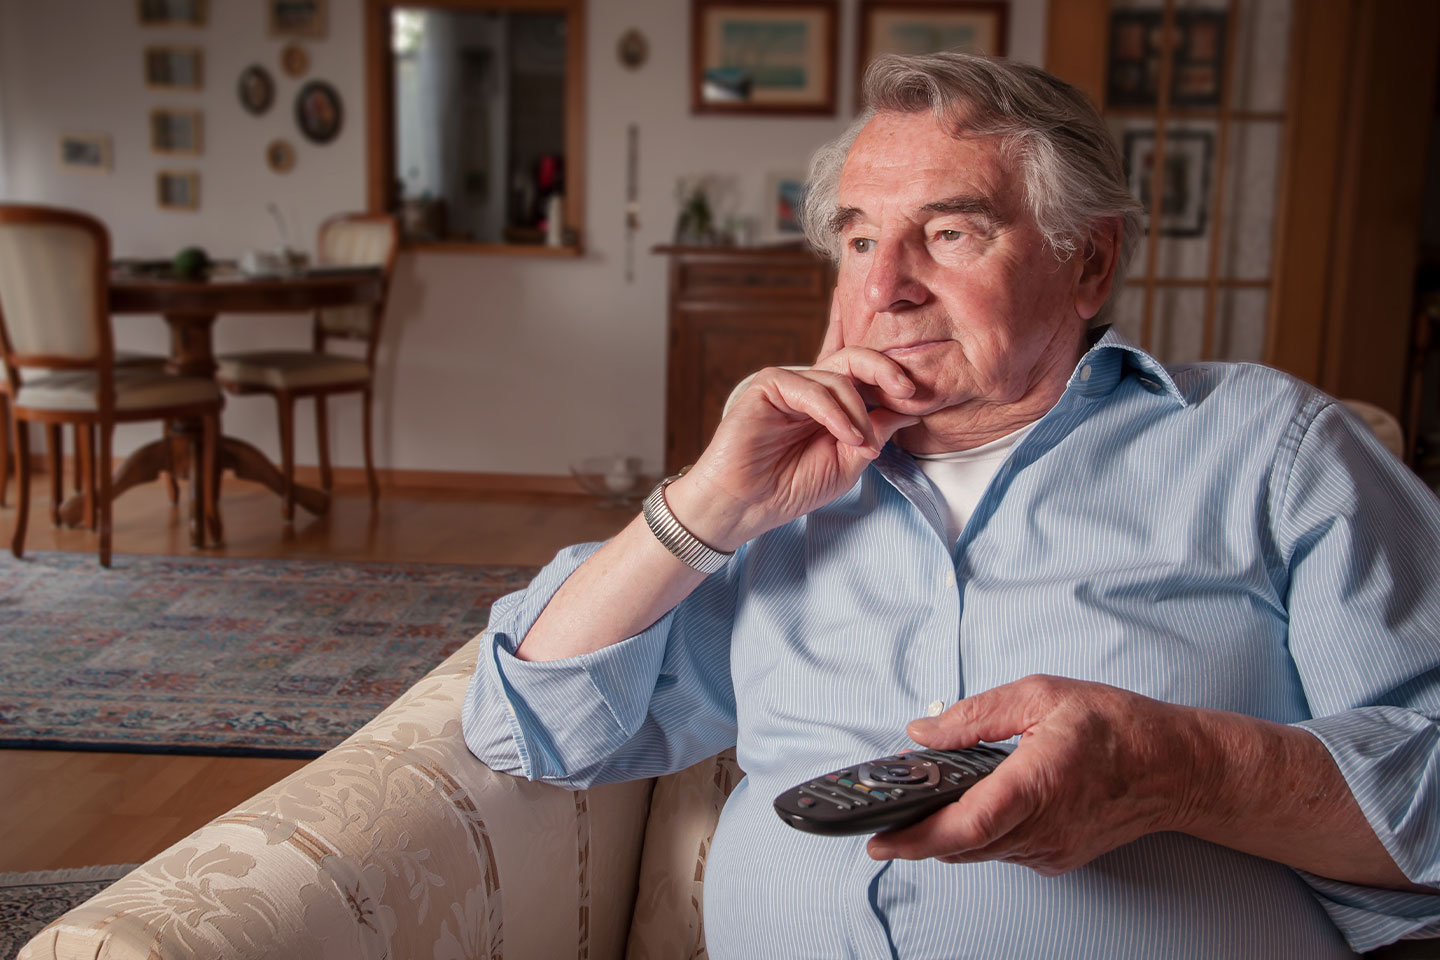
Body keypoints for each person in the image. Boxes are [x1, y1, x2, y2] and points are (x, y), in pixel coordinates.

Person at [463, 52, 1440, 958]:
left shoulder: (1269, 449)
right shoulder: (777, 494)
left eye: (947, 232)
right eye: (857, 239)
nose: (885, 287)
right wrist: (709, 504)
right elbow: (530, 726)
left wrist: (1179, 769)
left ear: (1088, 262)